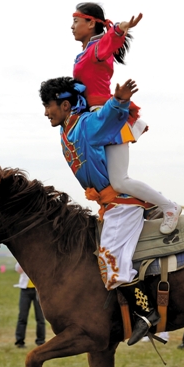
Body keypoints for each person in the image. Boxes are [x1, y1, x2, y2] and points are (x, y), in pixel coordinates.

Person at [40, 76, 161, 345]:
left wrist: (118, 101)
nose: (45, 112)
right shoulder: (66, 130)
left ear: (66, 105)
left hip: (122, 203)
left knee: (110, 260)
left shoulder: (84, 125)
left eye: (49, 105)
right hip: (109, 206)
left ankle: (146, 312)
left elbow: (104, 116)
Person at [71, 3, 181, 234]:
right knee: (110, 182)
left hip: (106, 117)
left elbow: (111, 39)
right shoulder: (85, 52)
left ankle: (168, 207)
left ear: (90, 23)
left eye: (75, 21)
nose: (71, 27)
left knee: (119, 181)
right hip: (93, 120)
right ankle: (147, 208)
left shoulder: (97, 48)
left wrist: (122, 28)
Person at [14, 262, 46, 349]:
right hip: (25, 290)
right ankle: (19, 341)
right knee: (22, 316)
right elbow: (18, 269)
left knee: (40, 317)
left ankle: (41, 341)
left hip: (38, 290)